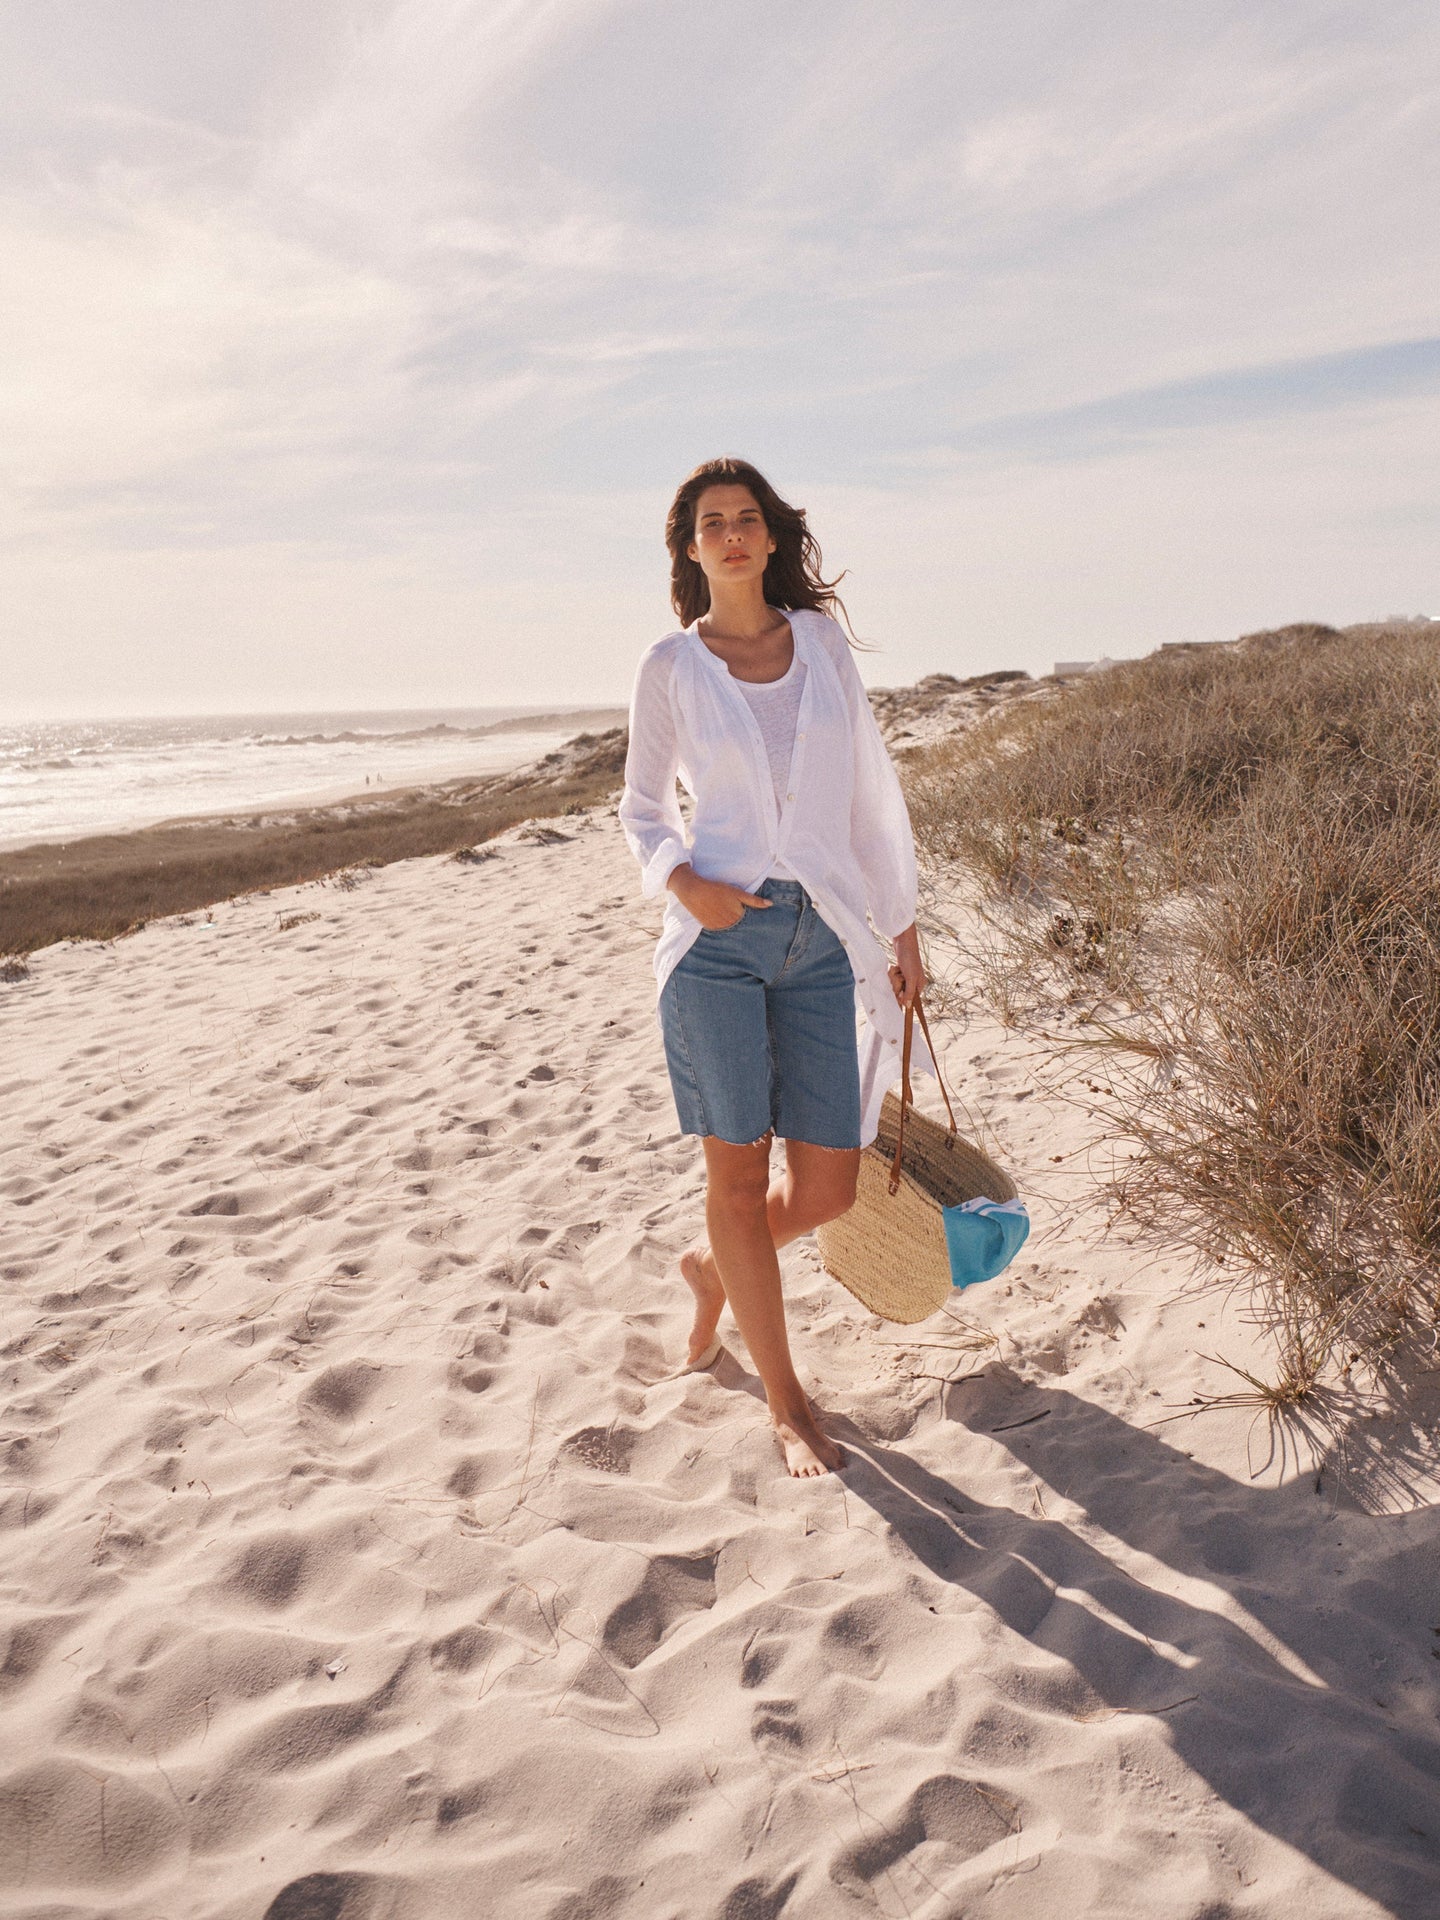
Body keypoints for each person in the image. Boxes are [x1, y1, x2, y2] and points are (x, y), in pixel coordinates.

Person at [619, 456, 928, 1478]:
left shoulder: (824, 647)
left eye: (747, 518)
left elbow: (871, 798)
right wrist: (685, 884)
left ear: (771, 536)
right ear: (691, 547)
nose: (734, 534)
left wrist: (903, 924)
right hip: (716, 946)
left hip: (824, 935)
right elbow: (643, 810)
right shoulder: (673, 666)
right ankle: (786, 1399)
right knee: (739, 1176)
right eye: (713, 523)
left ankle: (712, 1269)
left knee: (830, 1186)